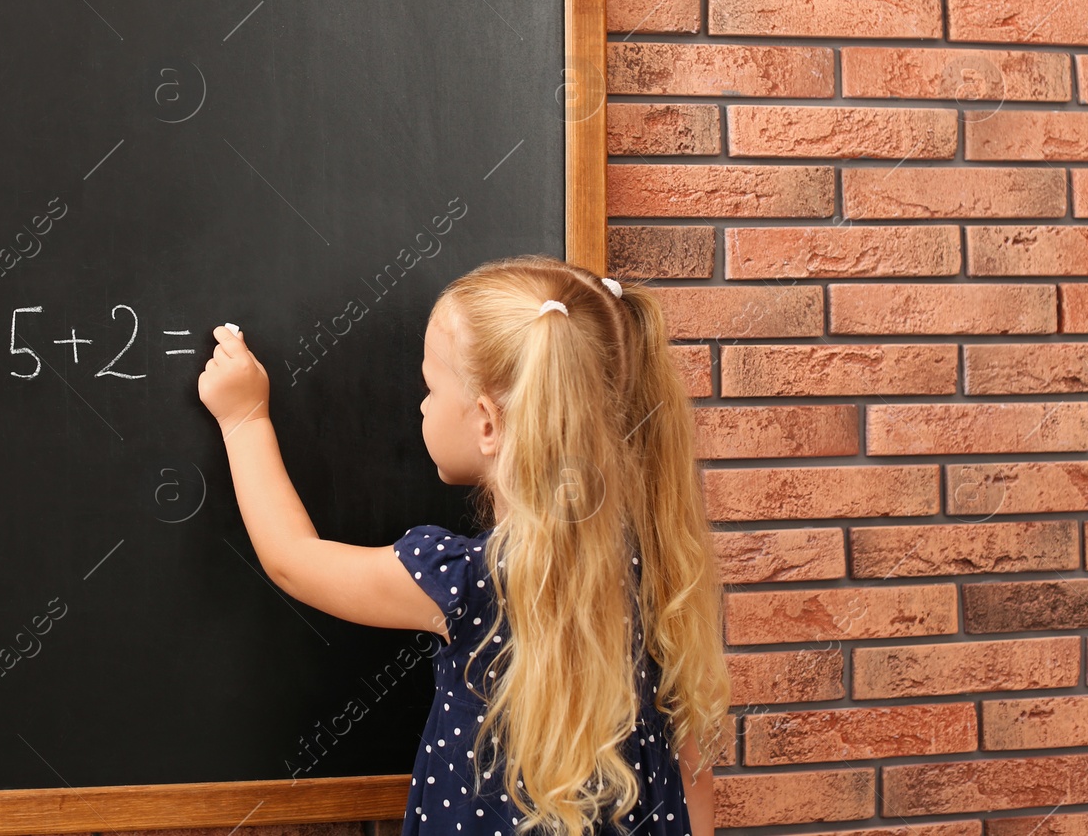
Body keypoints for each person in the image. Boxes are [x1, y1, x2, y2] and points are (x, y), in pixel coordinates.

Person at [197, 255, 731, 836]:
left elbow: (294, 560)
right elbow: (690, 766)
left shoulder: (465, 580)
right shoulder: (655, 560)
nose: (421, 405)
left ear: (487, 423)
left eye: (429, 387)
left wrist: (244, 419)